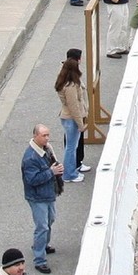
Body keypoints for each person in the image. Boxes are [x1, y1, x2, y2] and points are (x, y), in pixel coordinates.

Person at [23, 127, 62, 272]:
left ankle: (43, 244)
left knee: (50, 219)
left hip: (47, 193)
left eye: (48, 135)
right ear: (35, 136)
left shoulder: (46, 149)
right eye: (44, 135)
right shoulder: (31, 158)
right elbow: (32, 179)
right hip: (37, 196)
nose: (47, 138)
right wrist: (51, 172)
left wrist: (55, 169)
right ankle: (39, 259)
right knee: (42, 226)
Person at [55, 50, 87, 182]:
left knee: (71, 146)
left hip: (67, 117)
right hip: (71, 119)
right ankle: (69, 174)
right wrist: (80, 124)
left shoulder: (65, 81)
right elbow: (74, 107)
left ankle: (72, 169)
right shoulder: (71, 86)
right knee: (71, 148)